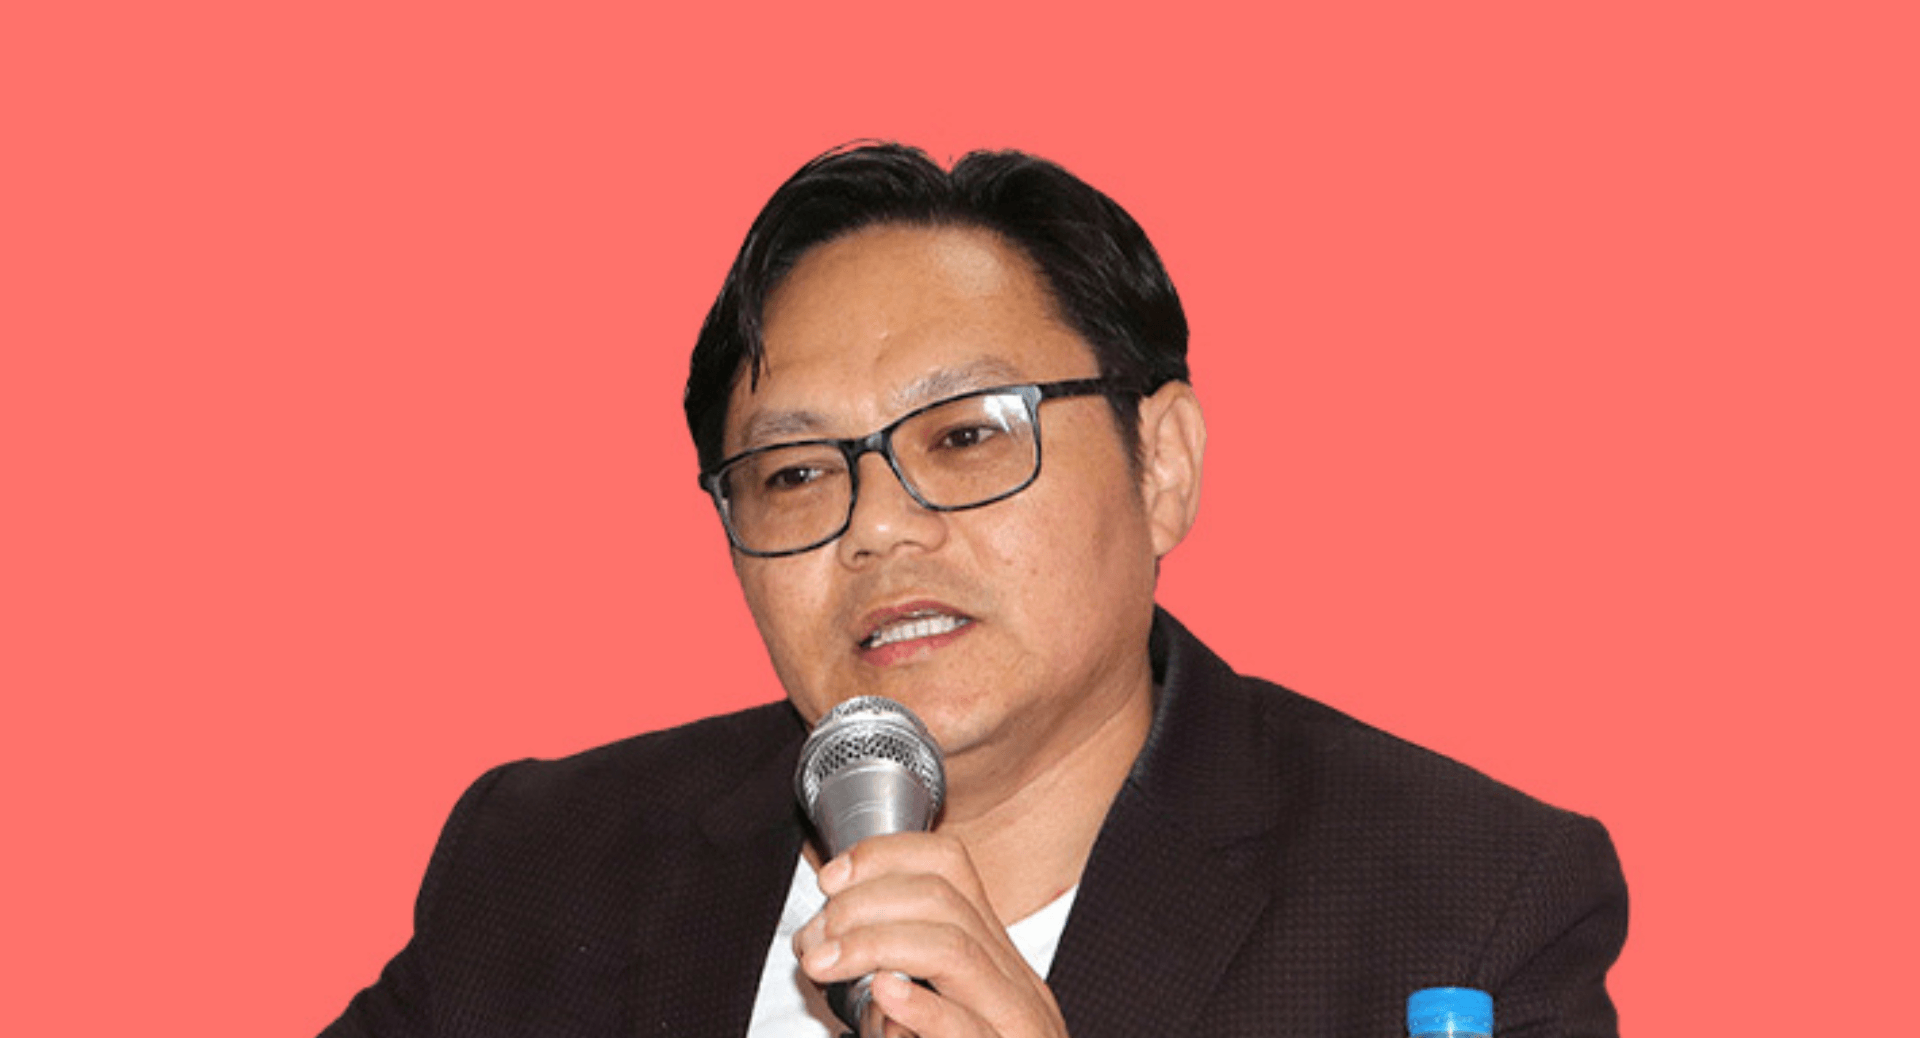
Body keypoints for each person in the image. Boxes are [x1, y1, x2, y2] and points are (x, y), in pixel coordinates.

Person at [323, 143, 1628, 1038]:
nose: (879, 527)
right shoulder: (544, 862)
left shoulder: (1460, 908)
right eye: (794, 474)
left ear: (1162, 465)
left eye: (965, 436)